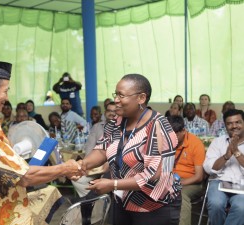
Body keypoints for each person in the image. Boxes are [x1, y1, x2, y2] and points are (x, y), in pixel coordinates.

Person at [0, 60, 82, 225]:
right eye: (5, 91)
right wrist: (65, 168)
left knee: (49, 192)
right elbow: (25, 177)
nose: (6, 98)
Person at [78, 74, 181, 225]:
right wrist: (82, 165)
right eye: (116, 94)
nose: (116, 100)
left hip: (154, 207)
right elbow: (102, 149)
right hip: (123, 201)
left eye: (121, 95)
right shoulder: (116, 123)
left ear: (141, 98)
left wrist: (112, 184)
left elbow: (152, 176)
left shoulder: (158, 127)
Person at [203, 109, 244, 225]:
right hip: (219, 182)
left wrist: (236, 151)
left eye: (238, 122)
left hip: (242, 184)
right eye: (230, 123)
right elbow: (208, 167)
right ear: (225, 125)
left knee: (242, 207)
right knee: (215, 204)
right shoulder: (218, 142)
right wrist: (226, 156)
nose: (234, 126)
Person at [167, 115, 206, 225]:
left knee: (180, 194)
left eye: (174, 135)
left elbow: (199, 177)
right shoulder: (165, 142)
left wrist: (178, 183)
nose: (170, 139)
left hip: (191, 182)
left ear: (183, 131)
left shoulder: (196, 144)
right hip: (168, 178)